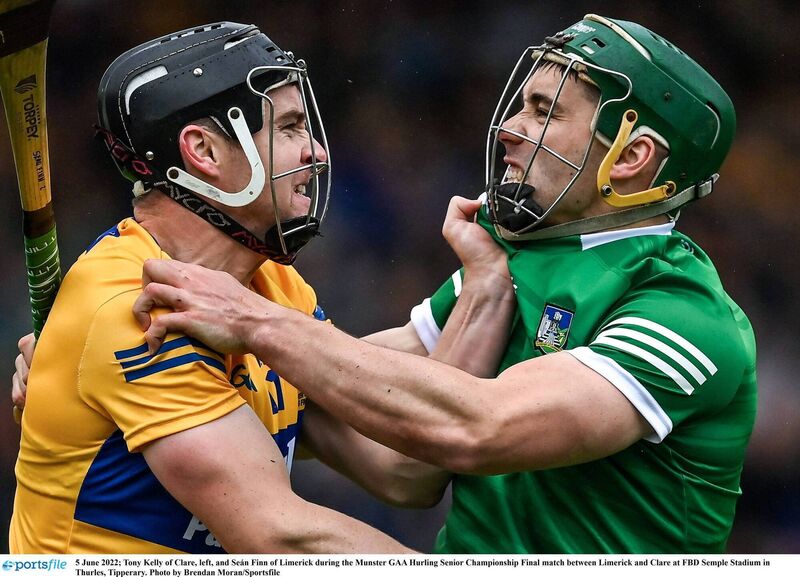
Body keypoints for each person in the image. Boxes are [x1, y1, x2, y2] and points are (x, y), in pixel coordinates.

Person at [127, 14, 758, 554]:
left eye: (545, 112)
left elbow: (483, 427)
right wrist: (120, 365)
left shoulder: (683, 315)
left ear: (629, 158)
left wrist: (254, 322)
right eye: (521, 104)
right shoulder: (511, 261)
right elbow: (331, 397)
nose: (509, 127)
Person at [8, 21, 516, 553]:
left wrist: (487, 284)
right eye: (291, 127)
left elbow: (404, 469)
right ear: (202, 150)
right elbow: (281, 537)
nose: (317, 152)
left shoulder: (269, 286)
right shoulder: (134, 308)